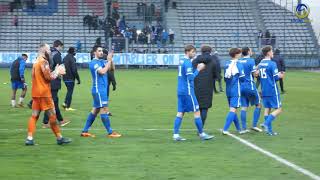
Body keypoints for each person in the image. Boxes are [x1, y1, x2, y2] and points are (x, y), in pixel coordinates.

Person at [25, 43, 71, 145]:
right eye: (49, 49)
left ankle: (29, 138)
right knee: (52, 116)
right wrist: (57, 71)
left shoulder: (36, 61)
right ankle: (59, 138)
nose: (50, 51)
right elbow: (49, 77)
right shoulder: (43, 62)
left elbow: (34, 76)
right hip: (44, 94)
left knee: (34, 116)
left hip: (36, 93)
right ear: (44, 50)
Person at [172, 45, 214, 141]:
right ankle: (201, 134)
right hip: (188, 91)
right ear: (188, 52)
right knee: (197, 111)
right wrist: (198, 69)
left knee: (180, 112)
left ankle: (175, 135)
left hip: (180, 90)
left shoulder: (181, 61)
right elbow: (191, 78)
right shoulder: (187, 63)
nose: (194, 54)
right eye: (193, 52)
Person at [80, 46, 121, 138]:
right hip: (98, 90)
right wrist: (108, 61)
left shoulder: (101, 62)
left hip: (101, 89)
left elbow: (112, 69)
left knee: (95, 110)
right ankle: (110, 132)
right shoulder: (93, 63)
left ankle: (85, 131)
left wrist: (110, 59)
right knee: (104, 109)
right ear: (94, 52)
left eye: (102, 51)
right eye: (99, 51)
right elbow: (102, 71)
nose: (101, 52)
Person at [256, 46, 283, 136]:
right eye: (271, 51)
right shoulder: (272, 64)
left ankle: (269, 131)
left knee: (267, 109)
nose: (273, 53)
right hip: (272, 89)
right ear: (268, 53)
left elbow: (257, 74)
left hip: (264, 89)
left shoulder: (260, 63)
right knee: (279, 109)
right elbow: (275, 78)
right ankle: (266, 124)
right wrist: (280, 75)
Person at [42, 40, 70, 127]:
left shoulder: (49, 53)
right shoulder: (57, 55)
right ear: (58, 46)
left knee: (54, 101)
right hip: (54, 80)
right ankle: (46, 122)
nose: (61, 49)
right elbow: (60, 68)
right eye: (61, 47)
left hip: (48, 79)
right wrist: (62, 73)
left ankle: (60, 120)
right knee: (52, 101)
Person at [192, 45, 220, 127]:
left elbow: (192, 72)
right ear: (210, 51)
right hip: (208, 86)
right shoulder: (213, 61)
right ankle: (201, 128)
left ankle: (199, 127)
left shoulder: (195, 60)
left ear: (201, 51)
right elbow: (216, 74)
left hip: (196, 86)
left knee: (198, 108)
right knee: (205, 108)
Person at [238, 47, 262, 134]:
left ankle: (244, 128)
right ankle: (254, 125)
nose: (252, 52)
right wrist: (258, 70)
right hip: (250, 86)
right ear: (248, 52)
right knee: (258, 105)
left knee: (244, 107)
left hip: (241, 87)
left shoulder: (239, 61)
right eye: (251, 50)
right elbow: (255, 74)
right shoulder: (251, 60)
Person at [222, 48, 244, 135]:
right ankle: (225, 129)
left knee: (233, 109)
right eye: (240, 53)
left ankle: (239, 129)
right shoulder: (239, 64)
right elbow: (242, 78)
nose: (241, 54)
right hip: (236, 89)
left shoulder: (227, 63)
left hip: (228, 89)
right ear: (237, 54)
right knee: (233, 109)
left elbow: (225, 78)